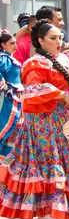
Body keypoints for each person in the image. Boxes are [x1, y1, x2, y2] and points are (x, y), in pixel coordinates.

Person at [0, 19, 69, 219]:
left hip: (67, 119)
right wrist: (59, 94)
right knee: (50, 164)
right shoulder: (35, 63)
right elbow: (30, 91)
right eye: (52, 38)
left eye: (60, 37)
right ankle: (48, 212)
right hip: (44, 122)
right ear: (40, 41)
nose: (58, 41)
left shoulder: (68, 58)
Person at [0, 30, 24, 158]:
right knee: (6, 125)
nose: (15, 46)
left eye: (16, 43)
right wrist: (2, 83)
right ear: (3, 45)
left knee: (14, 129)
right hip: (9, 98)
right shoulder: (4, 58)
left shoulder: (8, 57)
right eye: (11, 43)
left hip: (16, 97)